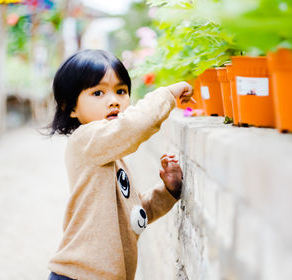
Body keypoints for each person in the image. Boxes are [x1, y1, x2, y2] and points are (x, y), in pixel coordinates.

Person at [46, 49, 195, 280]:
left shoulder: (110, 155)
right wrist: (167, 95)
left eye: (121, 91)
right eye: (98, 93)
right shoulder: (86, 140)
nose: (114, 101)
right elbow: (134, 126)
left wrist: (168, 191)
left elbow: (134, 214)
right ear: (70, 107)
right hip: (80, 275)